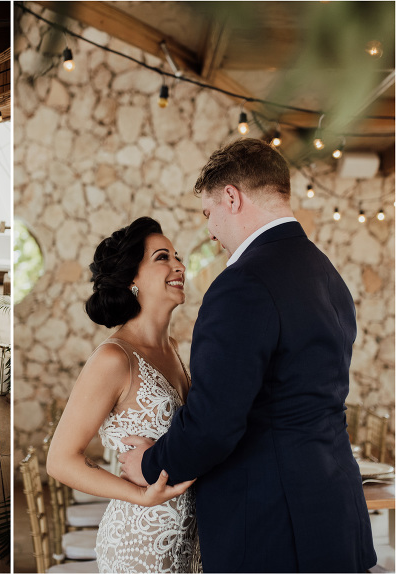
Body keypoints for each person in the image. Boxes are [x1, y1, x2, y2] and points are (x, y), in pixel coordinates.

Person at [119, 138, 377, 572]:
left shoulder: (242, 285)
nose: (210, 231)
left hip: (271, 525)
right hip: (335, 512)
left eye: (208, 214)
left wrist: (148, 464)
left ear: (232, 198)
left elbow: (213, 424)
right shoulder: (327, 275)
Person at [46, 216, 198, 573]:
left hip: (191, 536)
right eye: (163, 257)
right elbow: (60, 460)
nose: (179, 265)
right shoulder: (114, 358)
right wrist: (140, 496)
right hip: (139, 541)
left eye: (177, 256)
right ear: (133, 278)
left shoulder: (173, 348)